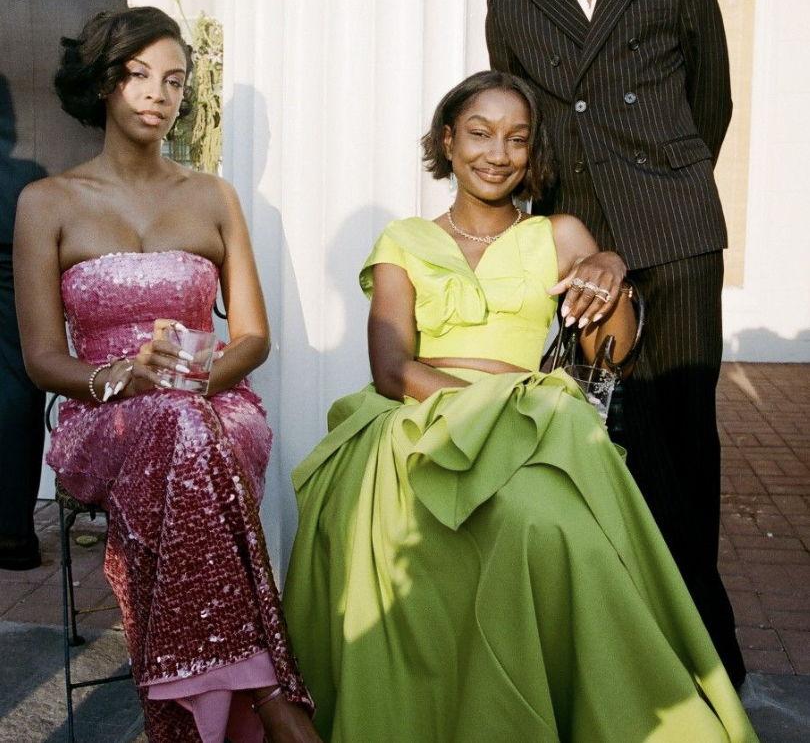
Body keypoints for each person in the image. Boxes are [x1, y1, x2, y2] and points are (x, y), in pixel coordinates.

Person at [282, 71, 757, 742]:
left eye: (517, 139)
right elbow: (391, 369)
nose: (497, 154)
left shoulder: (559, 234)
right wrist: (487, 400)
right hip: (417, 417)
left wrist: (612, 270)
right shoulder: (403, 240)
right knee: (394, 528)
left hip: (528, 421)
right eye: (479, 134)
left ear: (533, 153)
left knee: (552, 532)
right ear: (447, 141)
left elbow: (612, 355)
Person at [13, 6, 319, 743]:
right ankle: (271, 696)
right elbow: (42, 359)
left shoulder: (213, 196)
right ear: (103, 83)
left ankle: (205, 708)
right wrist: (126, 376)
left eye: (175, 80)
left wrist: (194, 383)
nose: (158, 93)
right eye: (138, 75)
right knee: (174, 428)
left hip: (216, 404)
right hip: (103, 414)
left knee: (184, 426)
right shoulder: (47, 202)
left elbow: (253, 338)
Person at [485, 0, 746, 686]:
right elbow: (526, 125)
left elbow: (712, 101)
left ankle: (706, 656)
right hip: (583, 244)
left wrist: (662, 202)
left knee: (684, 436)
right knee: (613, 437)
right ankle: (629, 653)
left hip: (677, 239)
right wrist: (571, 238)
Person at [0, 0, 126, 571]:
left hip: (1, 212)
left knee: (12, 369)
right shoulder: (106, 5)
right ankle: (122, 518)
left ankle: (10, 531)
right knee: (107, 355)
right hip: (85, 219)